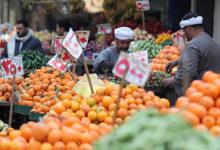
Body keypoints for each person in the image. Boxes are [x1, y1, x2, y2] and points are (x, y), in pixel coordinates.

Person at [163, 12, 220, 97]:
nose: (184, 34)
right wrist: (178, 61)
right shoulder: (213, 42)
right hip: (213, 92)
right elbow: (203, 56)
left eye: (184, 31)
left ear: (189, 29)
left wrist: (172, 81)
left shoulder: (192, 45)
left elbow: (189, 72)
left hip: (199, 95)